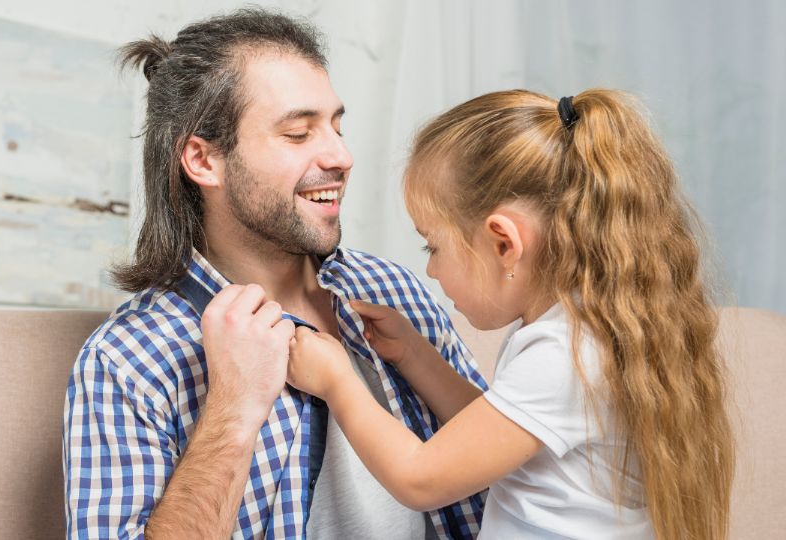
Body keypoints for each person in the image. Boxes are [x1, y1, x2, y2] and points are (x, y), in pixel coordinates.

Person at [62, 8, 487, 539]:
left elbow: (520, 479)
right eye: (297, 133)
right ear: (203, 159)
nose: (341, 155)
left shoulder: (396, 293)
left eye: (336, 125)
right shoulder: (130, 360)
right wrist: (233, 410)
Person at [287, 89, 735, 540]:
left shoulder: (563, 356)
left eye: (434, 246)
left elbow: (419, 478)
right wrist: (414, 356)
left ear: (504, 244)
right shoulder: (579, 332)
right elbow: (495, 435)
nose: (431, 269)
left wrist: (336, 380)